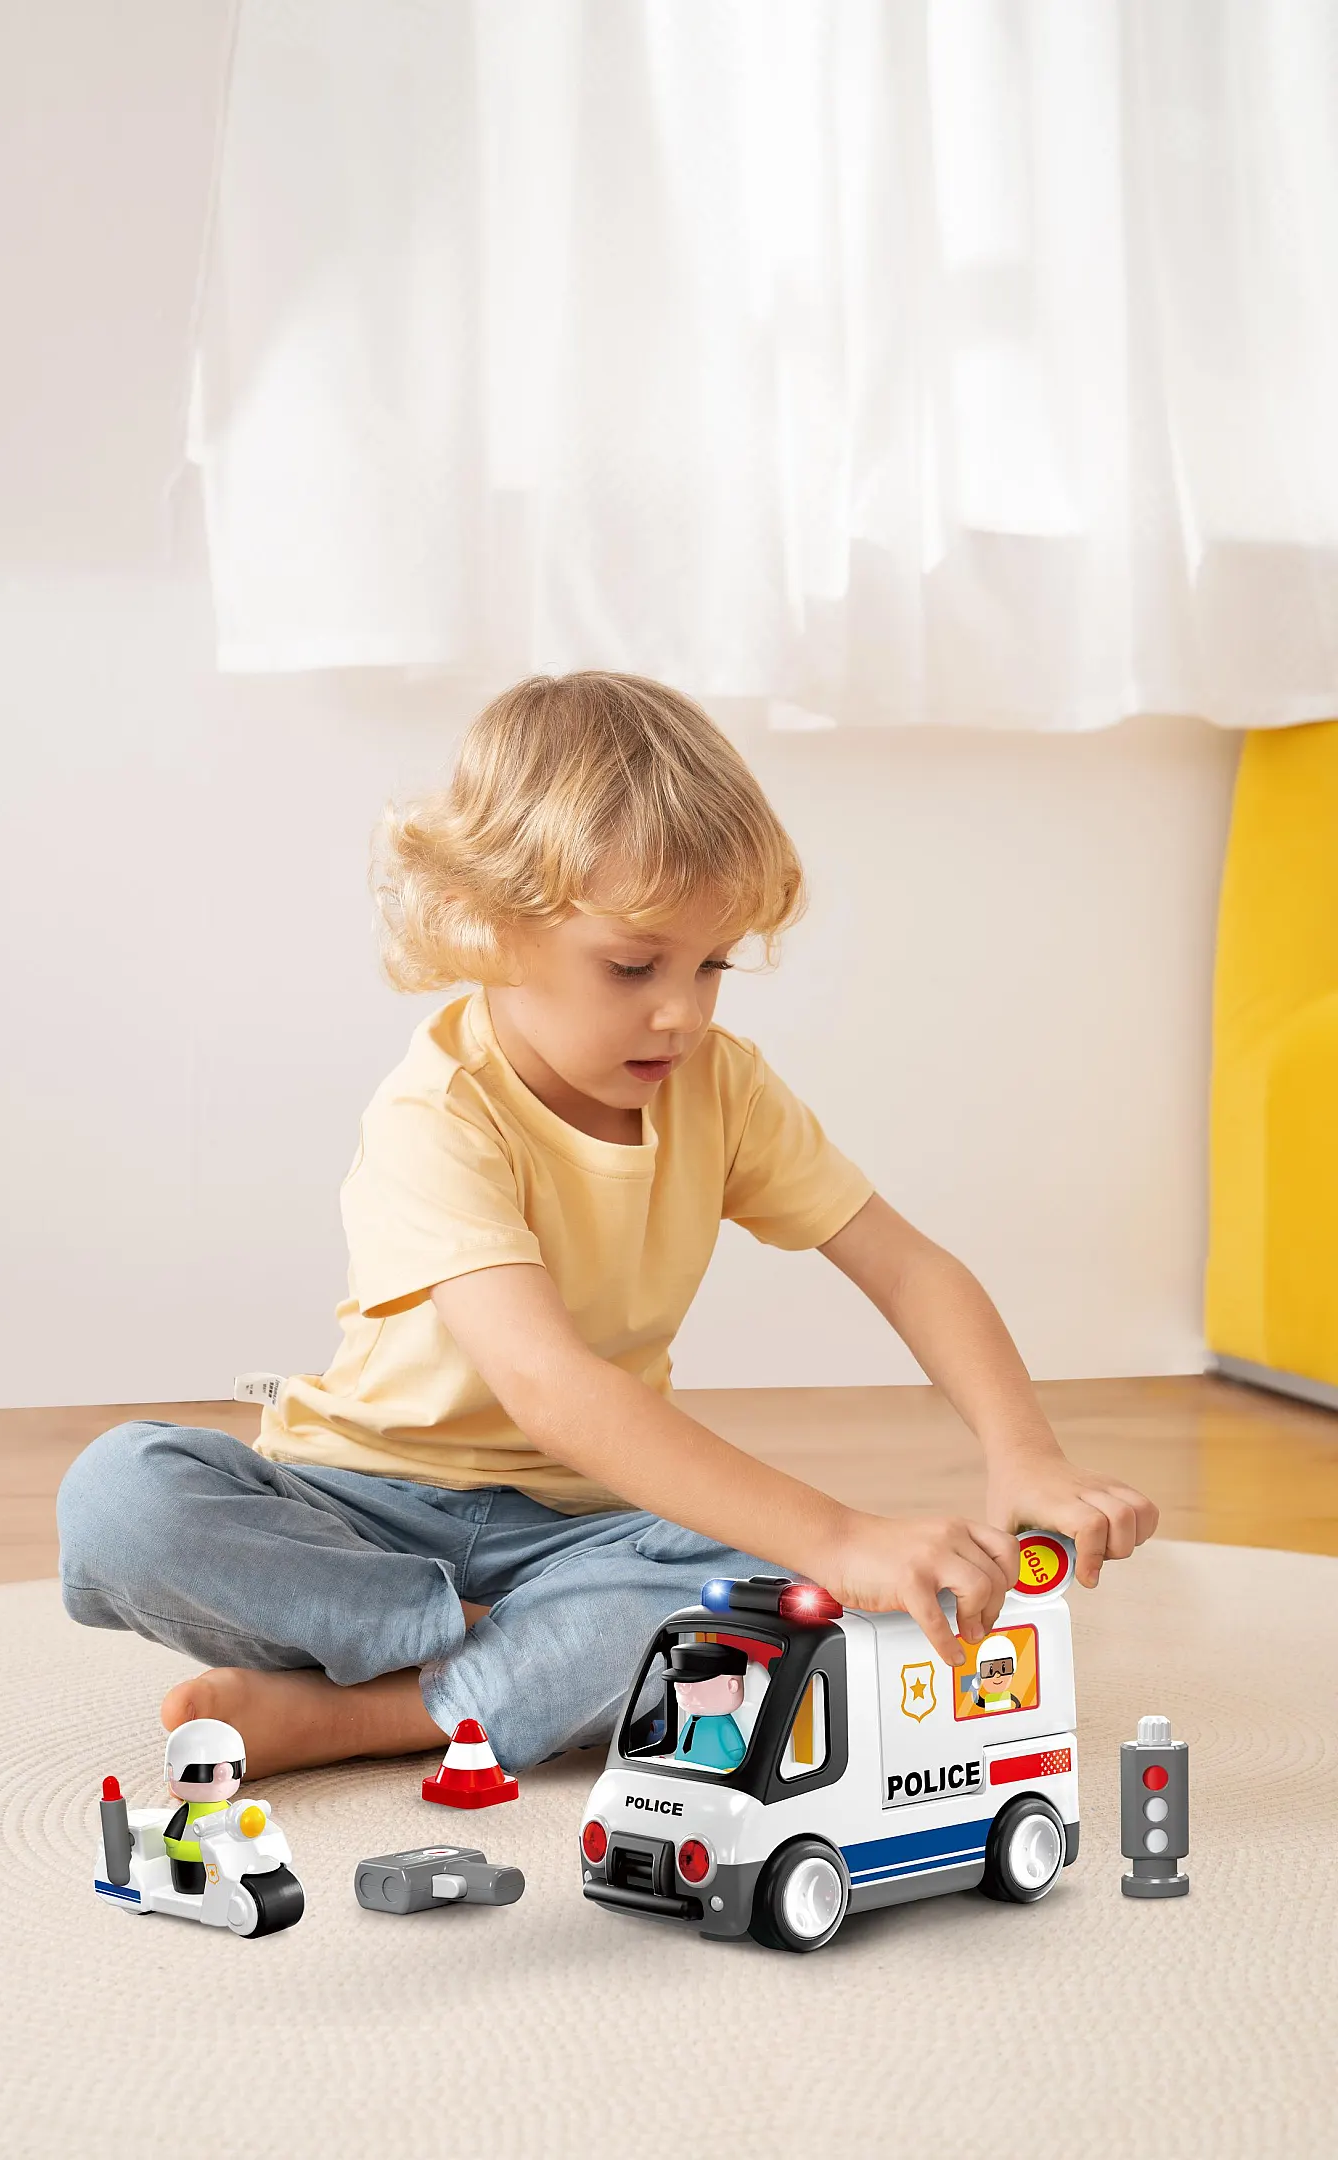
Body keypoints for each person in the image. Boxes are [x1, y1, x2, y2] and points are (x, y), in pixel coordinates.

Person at [56, 672, 1158, 1779]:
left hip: (592, 1528)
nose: (682, 1011)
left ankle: (377, 1711)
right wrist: (837, 1536)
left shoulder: (723, 1089)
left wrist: (1025, 1453)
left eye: (712, 964)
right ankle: (474, 1651)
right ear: (489, 926)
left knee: (797, 1596)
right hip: (361, 1510)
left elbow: (908, 1267)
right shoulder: (436, 1114)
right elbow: (552, 1387)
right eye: (634, 966)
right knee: (123, 1499)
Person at [162, 1717, 245, 1893]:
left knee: (224, 1885)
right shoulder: (188, 1811)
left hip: (223, 1855)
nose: (222, 1777)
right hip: (189, 1858)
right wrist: (173, 1844)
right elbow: (172, 1834)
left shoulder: (227, 1807)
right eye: (203, 1773)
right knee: (193, 1888)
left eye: (234, 1770)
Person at [663, 1642, 749, 1771]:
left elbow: (737, 1751)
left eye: (694, 1683)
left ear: (732, 1686)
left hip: (717, 1771)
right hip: (684, 1770)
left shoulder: (723, 1724)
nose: (683, 1691)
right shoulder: (691, 1720)